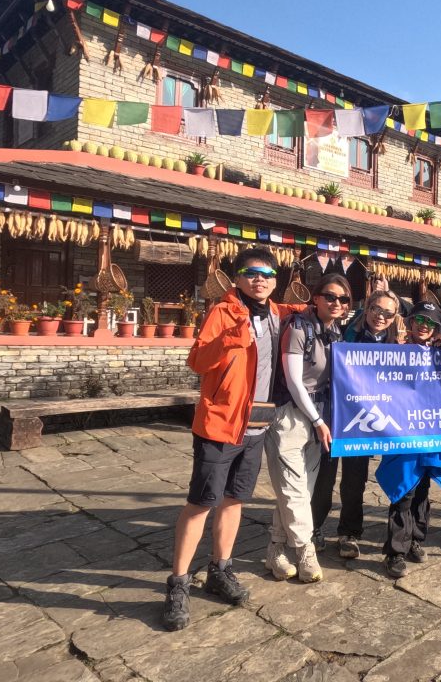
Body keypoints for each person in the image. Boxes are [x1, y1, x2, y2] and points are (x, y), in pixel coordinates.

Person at [163, 248, 284, 631]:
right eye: (250, 273)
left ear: (275, 280)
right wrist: (232, 337)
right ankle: (178, 583)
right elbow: (197, 362)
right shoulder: (223, 312)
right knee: (200, 503)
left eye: (266, 273)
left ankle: (220, 569)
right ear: (238, 278)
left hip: (257, 427)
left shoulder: (279, 314)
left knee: (235, 502)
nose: (259, 279)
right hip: (220, 425)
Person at [264, 273, 352, 583]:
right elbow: (293, 380)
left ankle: (276, 549)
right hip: (291, 415)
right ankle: (304, 550)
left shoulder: (336, 333)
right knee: (293, 488)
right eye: (330, 296)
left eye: (343, 299)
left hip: (321, 415)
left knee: (298, 491)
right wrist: (316, 420)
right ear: (315, 297)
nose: (336, 303)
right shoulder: (298, 327)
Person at [310, 288, 401, 559]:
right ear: (367, 308)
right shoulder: (346, 332)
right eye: (376, 309)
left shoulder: (395, 345)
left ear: (395, 317)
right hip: (336, 415)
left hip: (365, 422)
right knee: (324, 479)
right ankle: (313, 528)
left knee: (354, 480)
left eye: (388, 313)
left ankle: (349, 532)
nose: (380, 316)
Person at [377, 300, 441, 578]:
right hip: (403, 433)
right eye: (420, 320)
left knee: (423, 490)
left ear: (437, 329)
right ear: (409, 323)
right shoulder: (395, 354)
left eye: (431, 323)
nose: (424, 326)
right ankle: (395, 551)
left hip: (432, 433)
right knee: (404, 491)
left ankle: (415, 540)